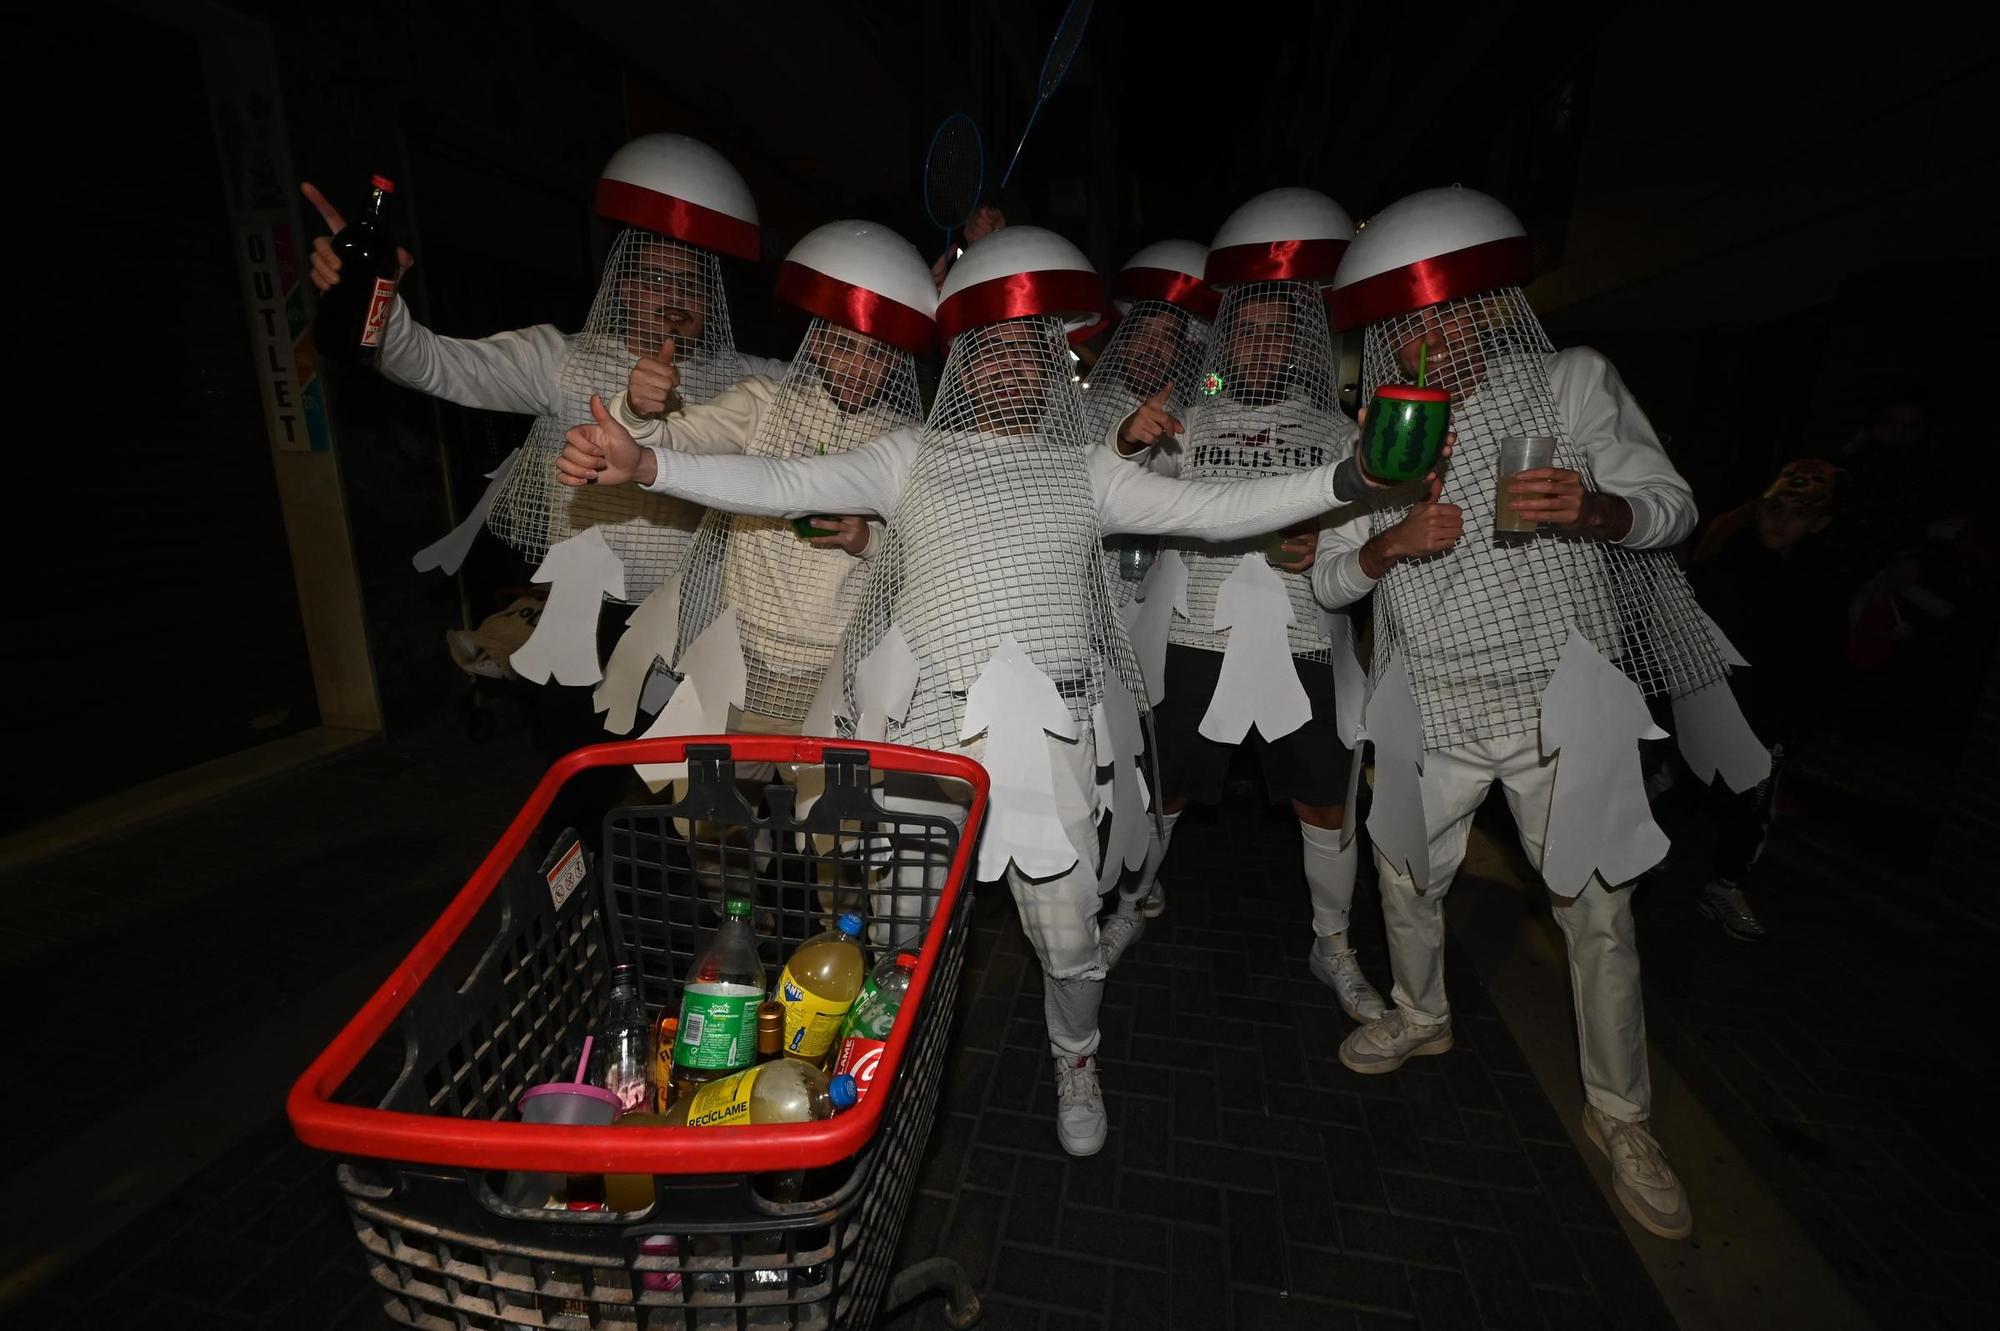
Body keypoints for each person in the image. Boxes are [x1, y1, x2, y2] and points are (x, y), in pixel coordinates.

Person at [557, 226, 1373, 1157]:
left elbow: (1217, 510)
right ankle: (878, 1073)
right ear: (967, 360)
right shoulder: (906, 455)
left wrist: (1345, 478)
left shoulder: (1089, 467)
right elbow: (782, 479)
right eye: (996, 351)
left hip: (1045, 739)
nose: (1013, 370)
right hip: (928, 741)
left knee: (1068, 940)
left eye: (1033, 353)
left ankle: (1076, 1056)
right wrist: (650, 463)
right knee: (896, 940)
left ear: (1048, 366)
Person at [1315, 186, 1750, 1241]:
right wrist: (1380, 547)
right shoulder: (1381, 427)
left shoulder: (1568, 379)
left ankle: (1619, 1114)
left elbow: (1673, 505)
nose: (1428, 336)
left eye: (1448, 311)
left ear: (1485, 306)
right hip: (1430, 702)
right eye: (1405, 323)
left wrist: (1599, 508)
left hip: (1558, 703)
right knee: (1403, 870)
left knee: (1597, 912)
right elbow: (1329, 581)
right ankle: (1421, 1014)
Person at [1099, 190, 1382, 1030]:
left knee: (1325, 802)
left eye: (1278, 330)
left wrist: (1324, 552)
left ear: (1302, 341)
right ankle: (1133, 905)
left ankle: (1332, 942)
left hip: (1306, 641)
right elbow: (1127, 511)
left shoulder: (1336, 431)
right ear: (1228, 337)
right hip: (1193, 634)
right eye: (1248, 327)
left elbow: (1358, 544)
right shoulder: (1192, 419)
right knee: (1167, 794)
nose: (1262, 342)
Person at [1685, 459, 1846, 941]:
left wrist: (1795, 725)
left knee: (1751, 804)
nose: (1779, 520)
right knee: (1673, 784)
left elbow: (1823, 659)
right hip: (1706, 703)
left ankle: (1726, 884)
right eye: (1773, 507)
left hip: (1768, 715)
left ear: (1819, 522)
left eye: (1797, 512)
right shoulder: (1727, 560)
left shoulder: (1823, 581)